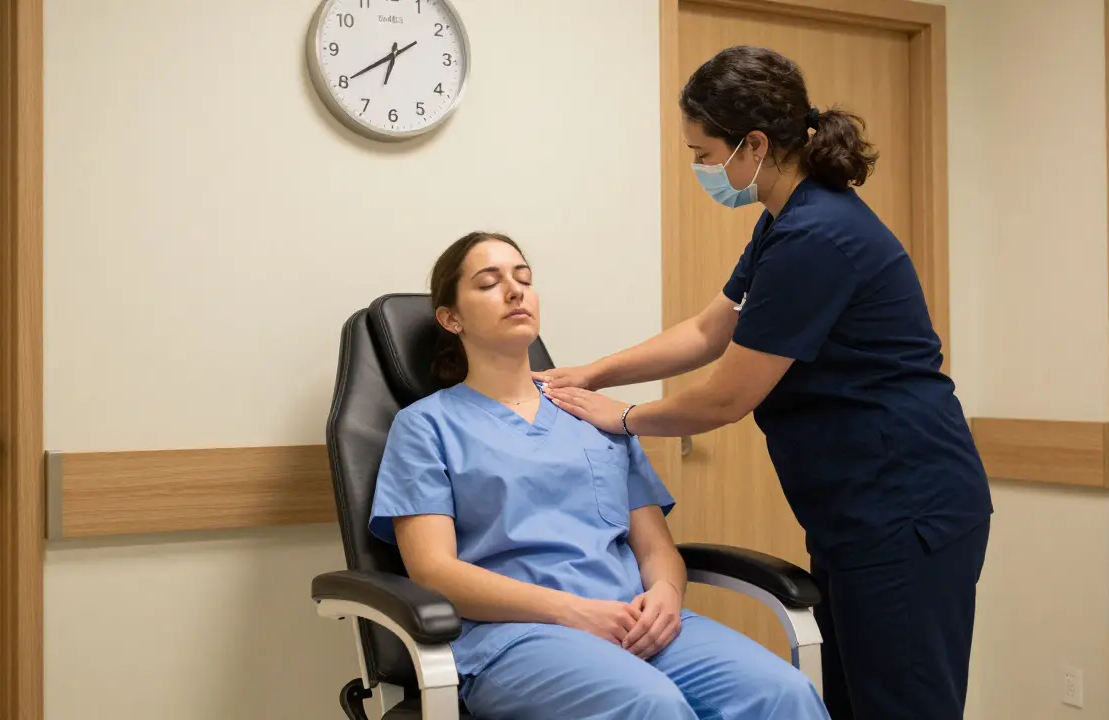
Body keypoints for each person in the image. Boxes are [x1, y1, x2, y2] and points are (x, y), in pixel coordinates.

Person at [537, 46, 993, 720]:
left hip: (906, 508)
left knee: (901, 705)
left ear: (754, 144)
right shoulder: (783, 220)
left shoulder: (819, 235)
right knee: (853, 701)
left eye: (703, 153)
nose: (700, 168)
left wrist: (623, 416)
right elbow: (708, 330)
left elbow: (728, 395)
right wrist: (591, 372)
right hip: (857, 510)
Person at [368, 231, 830, 720]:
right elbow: (433, 571)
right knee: (651, 705)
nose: (515, 290)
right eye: (489, 282)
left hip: (634, 620)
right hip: (518, 635)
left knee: (784, 693)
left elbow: (655, 548)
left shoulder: (593, 415)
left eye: (524, 278)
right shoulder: (426, 426)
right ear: (451, 318)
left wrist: (665, 595)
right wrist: (573, 611)